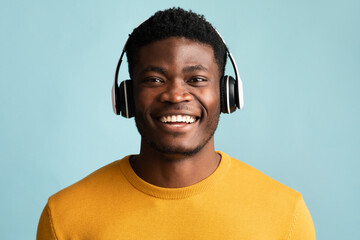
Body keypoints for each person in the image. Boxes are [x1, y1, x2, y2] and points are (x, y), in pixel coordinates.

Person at [37, 7, 316, 239]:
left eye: (196, 79)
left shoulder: (285, 214)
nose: (175, 95)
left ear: (227, 93)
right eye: (154, 80)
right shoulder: (65, 216)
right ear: (127, 96)